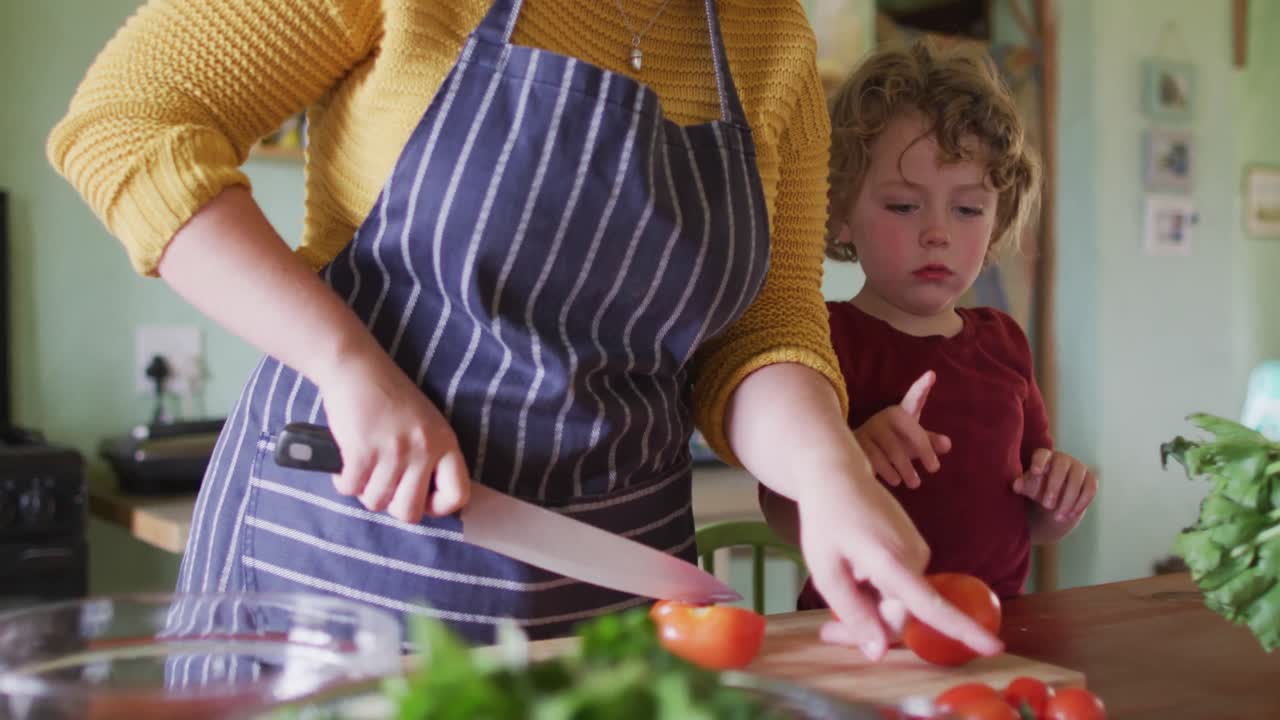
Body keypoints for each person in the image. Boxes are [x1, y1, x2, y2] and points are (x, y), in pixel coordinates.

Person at [49, 0, 998, 658]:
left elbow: (760, 334)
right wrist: (347, 364)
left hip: (611, 597)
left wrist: (828, 475)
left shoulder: (769, 34)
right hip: (347, 563)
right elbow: (127, 124)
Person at [760, 40, 1098, 614]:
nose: (938, 233)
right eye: (903, 206)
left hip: (993, 630)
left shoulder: (1005, 342)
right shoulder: (820, 338)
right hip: (859, 633)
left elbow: (1033, 523)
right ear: (840, 212)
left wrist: (1058, 499)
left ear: (996, 223)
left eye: (967, 210)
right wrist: (847, 462)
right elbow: (780, 507)